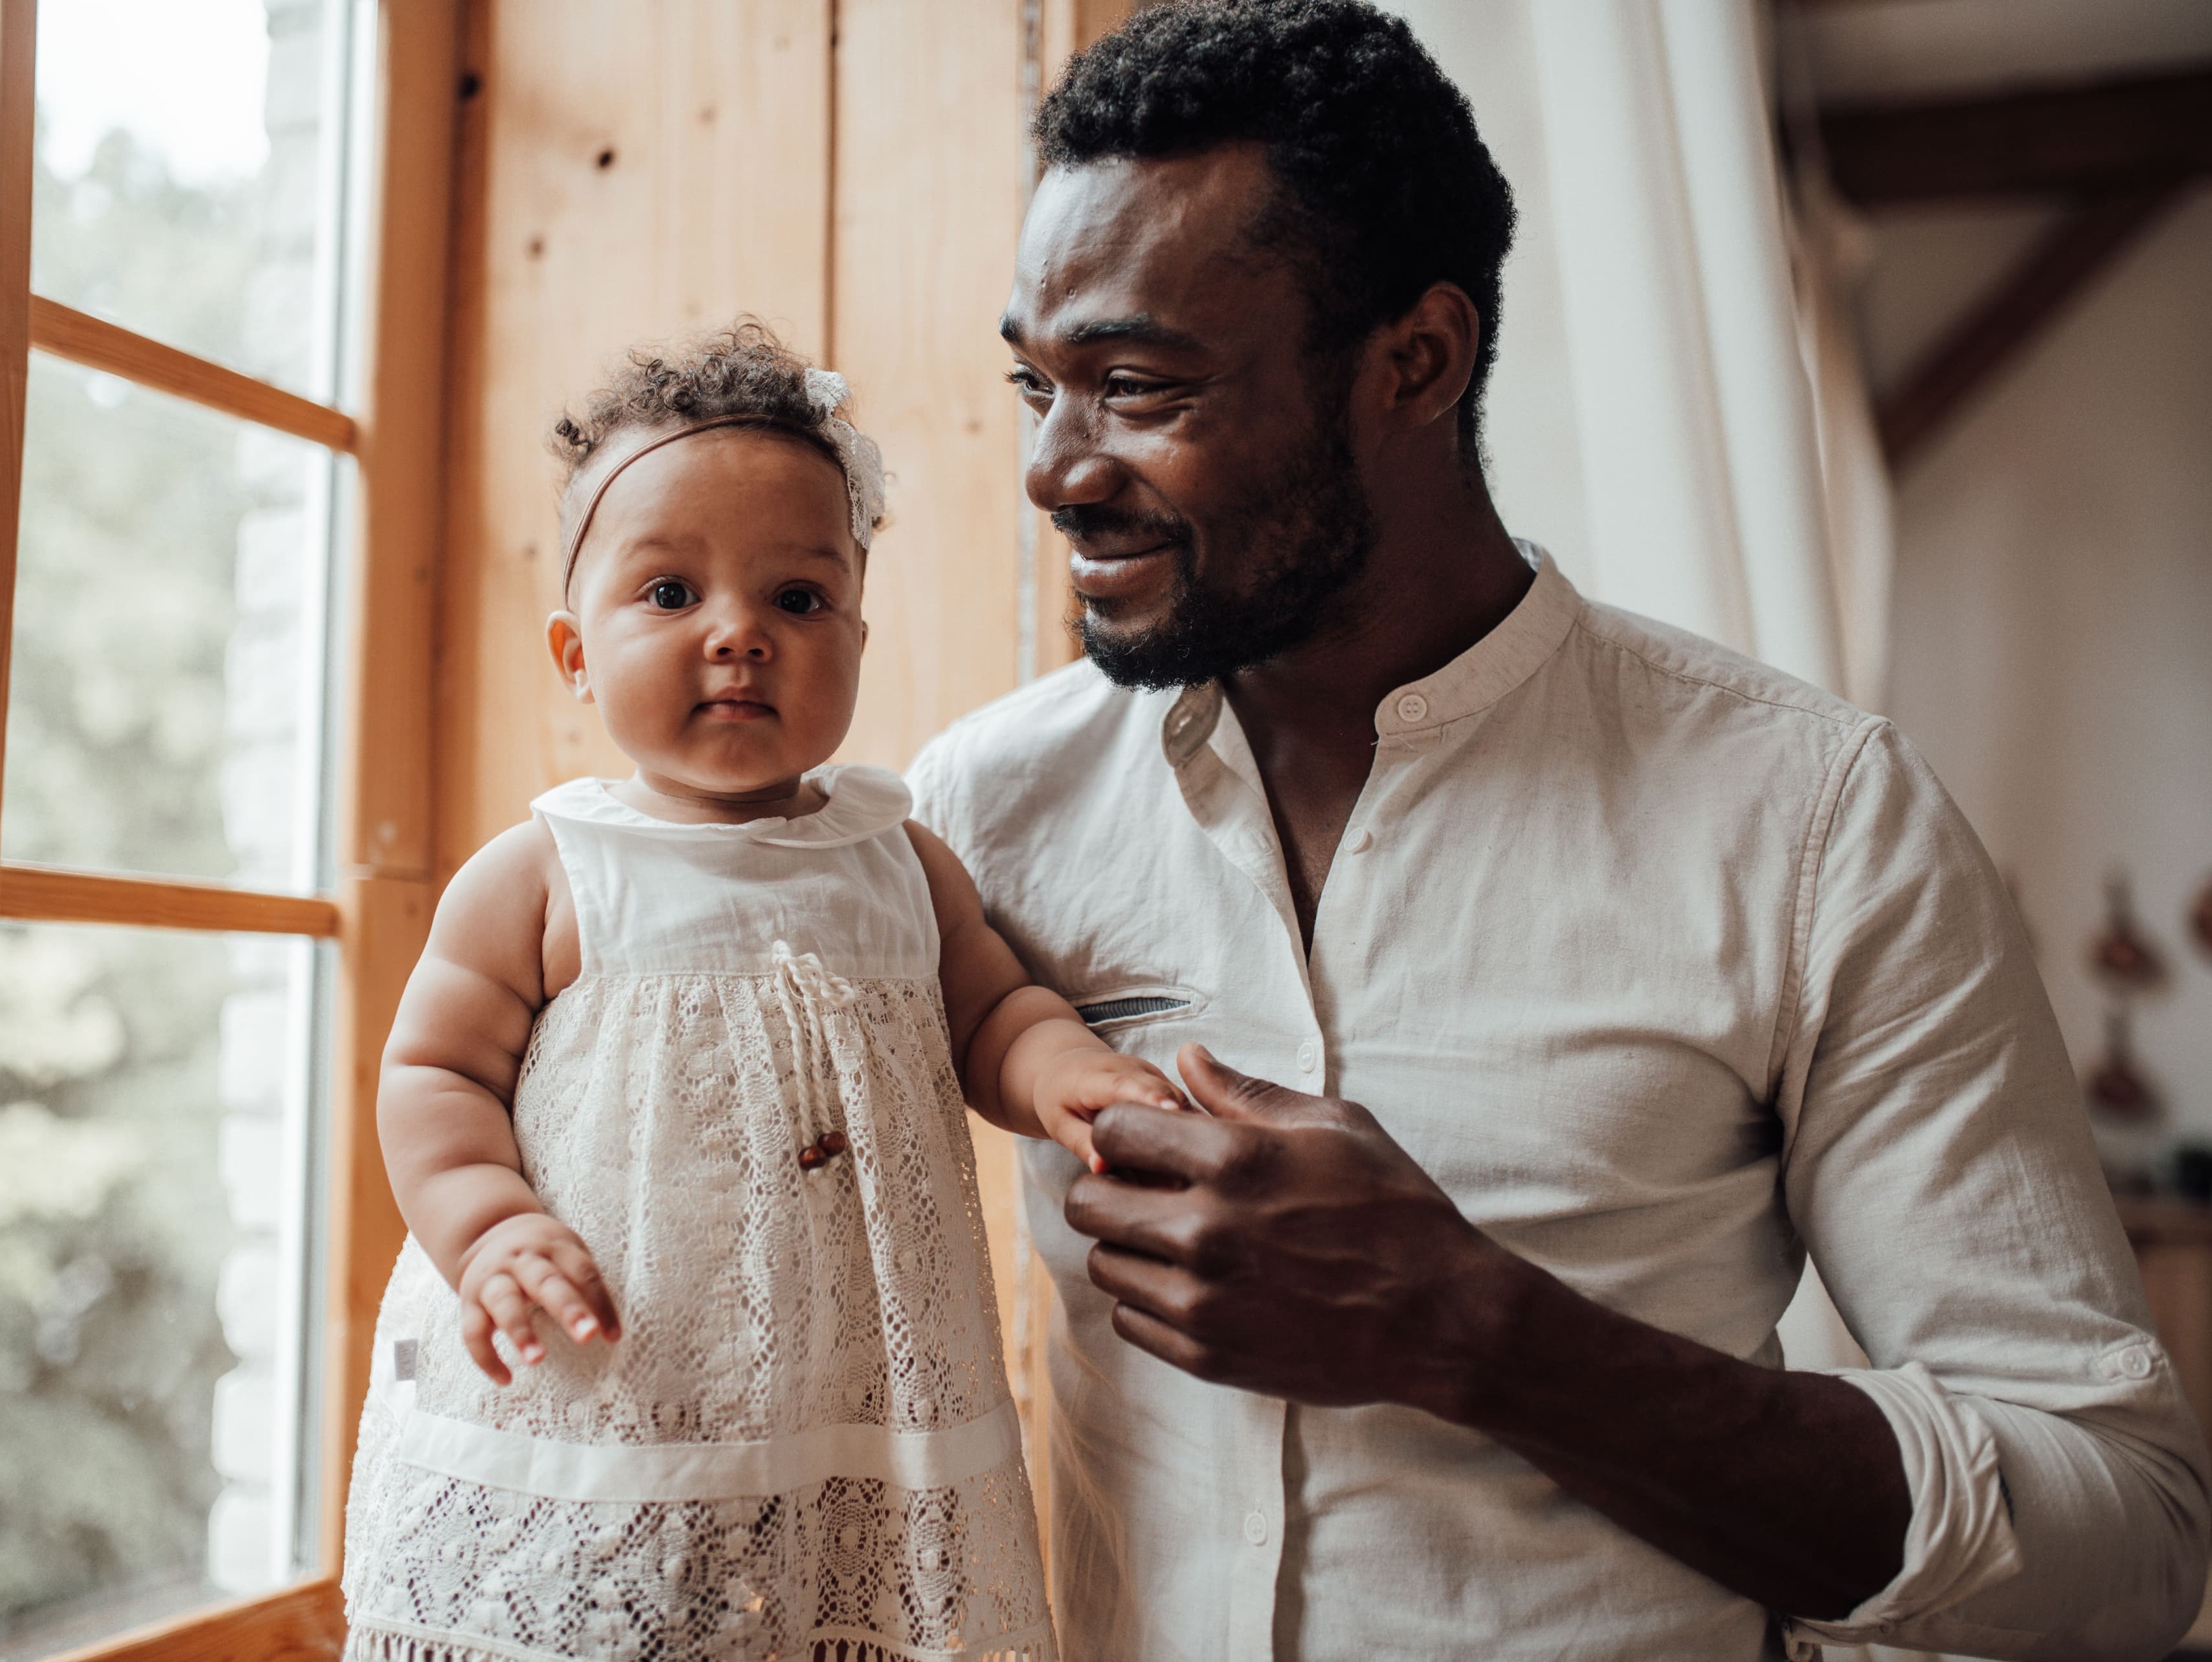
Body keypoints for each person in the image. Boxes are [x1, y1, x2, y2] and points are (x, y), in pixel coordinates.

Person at [906, 4, 2211, 1659]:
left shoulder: (1814, 823)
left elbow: (2127, 1536)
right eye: (1037, 385)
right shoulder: (985, 809)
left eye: (1138, 387)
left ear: (1417, 362)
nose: (1051, 468)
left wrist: (1485, 1334)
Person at [340, 323, 1177, 1661]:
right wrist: (486, 1226)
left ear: (856, 635)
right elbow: (436, 1072)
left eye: (797, 597)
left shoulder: (898, 861)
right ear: (575, 651)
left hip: (846, 1382)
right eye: (671, 593)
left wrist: (1066, 1070)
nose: (740, 634)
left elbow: (991, 1014)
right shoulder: (548, 874)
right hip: (612, 1373)